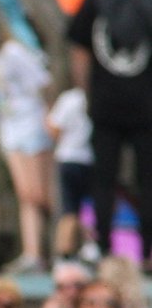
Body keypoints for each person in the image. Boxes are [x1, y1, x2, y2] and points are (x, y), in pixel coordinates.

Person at [67, 0, 152, 269]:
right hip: (147, 103)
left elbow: (79, 47)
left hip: (105, 103)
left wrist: (87, 92)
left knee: (103, 178)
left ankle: (103, 249)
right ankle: (148, 254)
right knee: (148, 180)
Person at [0, 31, 53, 273]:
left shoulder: (13, 52)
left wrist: (49, 119)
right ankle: (32, 253)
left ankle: (57, 249)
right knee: (26, 195)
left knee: (40, 194)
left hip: (31, 125)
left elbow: (42, 83)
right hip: (9, 129)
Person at [45, 85, 95, 262]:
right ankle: (89, 247)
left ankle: (64, 252)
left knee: (69, 209)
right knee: (88, 207)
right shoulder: (102, 97)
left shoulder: (70, 98)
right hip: (92, 160)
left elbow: (54, 128)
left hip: (68, 159)